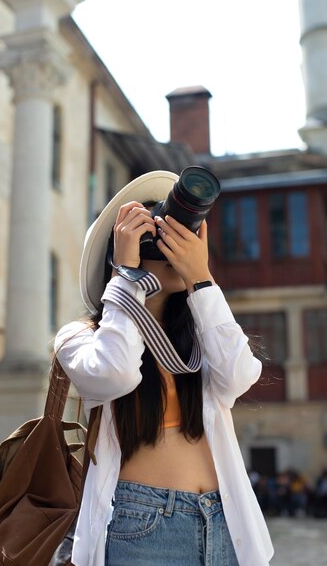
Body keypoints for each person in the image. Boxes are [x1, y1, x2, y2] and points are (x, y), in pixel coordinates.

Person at [54, 170, 274, 566]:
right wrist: (129, 275)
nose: (170, 242)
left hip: (224, 518)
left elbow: (240, 375)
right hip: (141, 524)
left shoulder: (197, 335)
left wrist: (201, 278)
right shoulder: (81, 337)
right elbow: (116, 372)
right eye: (153, 234)